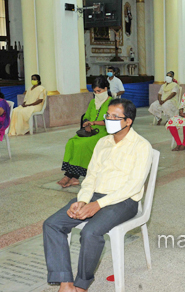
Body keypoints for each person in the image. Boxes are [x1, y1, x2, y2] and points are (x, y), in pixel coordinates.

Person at [43, 98, 153, 292]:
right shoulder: (102, 142)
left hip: (124, 201)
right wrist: (83, 200)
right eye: (107, 116)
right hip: (95, 196)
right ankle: (65, 283)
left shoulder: (141, 146)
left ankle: (81, 285)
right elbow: (91, 176)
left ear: (128, 121)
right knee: (52, 224)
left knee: (90, 232)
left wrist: (98, 205)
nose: (109, 120)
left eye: (114, 117)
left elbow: (133, 186)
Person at [58, 77, 112, 188]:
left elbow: (110, 121)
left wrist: (94, 123)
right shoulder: (93, 102)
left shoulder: (112, 103)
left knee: (83, 145)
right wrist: (87, 123)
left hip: (104, 132)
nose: (97, 94)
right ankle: (71, 176)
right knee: (72, 142)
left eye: (99, 91)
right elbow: (86, 116)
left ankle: (73, 176)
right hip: (90, 132)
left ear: (106, 89)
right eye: (95, 91)